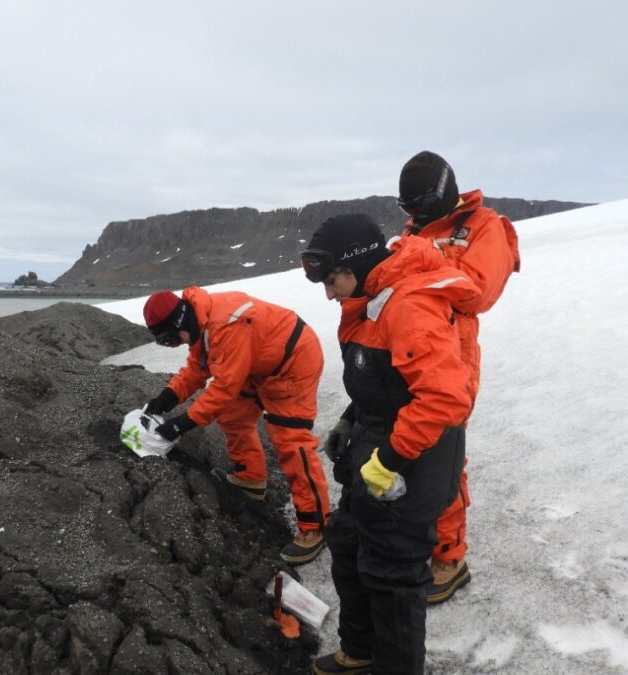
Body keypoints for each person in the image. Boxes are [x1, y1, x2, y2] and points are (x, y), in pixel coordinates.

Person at [302, 214, 477, 674]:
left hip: (415, 457)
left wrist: (390, 460)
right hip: (376, 444)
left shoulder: (408, 305)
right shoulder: (368, 302)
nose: (328, 292)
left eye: (332, 279)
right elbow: (385, 381)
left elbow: (442, 398)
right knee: (348, 541)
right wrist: (349, 417)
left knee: (393, 573)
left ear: (356, 264)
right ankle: (359, 651)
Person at [393, 150, 520, 603]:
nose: (412, 215)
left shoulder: (486, 227)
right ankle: (422, 535)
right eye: (405, 208)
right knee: (411, 450)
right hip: (408, 351)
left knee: (445, 457)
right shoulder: (416, 229)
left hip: (453, 361)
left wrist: (419, 256)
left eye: (420, 204)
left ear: (444, 191)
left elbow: (478, 292)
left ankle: (450, 557)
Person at [141, 286, 331, 564]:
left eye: (171, 339)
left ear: (179, 322)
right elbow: (197, 369)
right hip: (258, 364)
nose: (175, 344)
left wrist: (181, 424)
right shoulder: (200, 321)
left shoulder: (227, 325)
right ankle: (251, 478)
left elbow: (224, 387)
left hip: (293, 360)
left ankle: (315, 527)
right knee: (233, 415)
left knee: (291, 441)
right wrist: (165, 399)